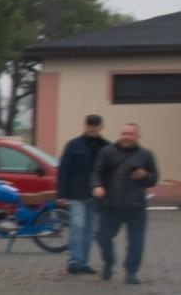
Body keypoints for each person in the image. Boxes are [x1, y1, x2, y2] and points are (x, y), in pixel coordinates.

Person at [90, 122, 158, 284]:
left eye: (130, 134)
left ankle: (131, 272)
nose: (127, 137)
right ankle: (109, 262)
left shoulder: (146, 155)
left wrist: (144, 176)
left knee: (136, 242)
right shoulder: (107, 152)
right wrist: (97, 186)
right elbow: (96, 172)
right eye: (124, 133)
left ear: (137, 136)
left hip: (136, 206)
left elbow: (153, 179)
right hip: (111, 205)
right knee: (102, 237)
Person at [56, 115, 109, 275]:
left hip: (96, 195)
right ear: (84, 126)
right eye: (89, 125)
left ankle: (84, 262)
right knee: (77, 226)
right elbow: (63, 170)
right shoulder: (73, 145)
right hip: (76, 194)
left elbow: (110, 173)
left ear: (101, 127)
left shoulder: (107, 147)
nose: (92, 128)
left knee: (90, 230)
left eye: (95, 125)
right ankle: (74, 261)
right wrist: (61, 194)